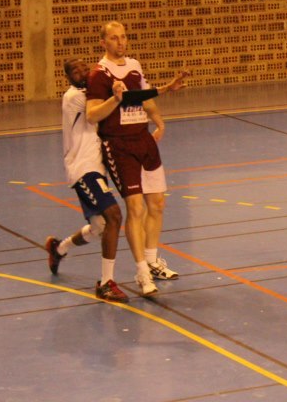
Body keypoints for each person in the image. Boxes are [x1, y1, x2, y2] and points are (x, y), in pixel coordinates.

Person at [86, 21, 188, 297]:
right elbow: (92, 115)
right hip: (119, 145)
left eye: (123, 37)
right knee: (135, 208)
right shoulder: (98, 74)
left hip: (143, 140)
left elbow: (144, 98)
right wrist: (115, 99)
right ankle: (141, 272)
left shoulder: (134, 66)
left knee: (157, 203)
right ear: (103, 42)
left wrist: (159, 121)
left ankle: (152, 261)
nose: (121, 42)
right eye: (114, 38)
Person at [46, 58, 128, 303]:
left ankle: (58, 248)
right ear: (68, 77)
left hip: (96, 168)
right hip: (83, 168)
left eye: (85, 67)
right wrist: (117, 94)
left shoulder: (92, 92)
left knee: (99, 227)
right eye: (75, 70)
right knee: (114, 216)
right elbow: (97, 113)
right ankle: (106, 284)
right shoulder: (73, 97)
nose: (82, 72)